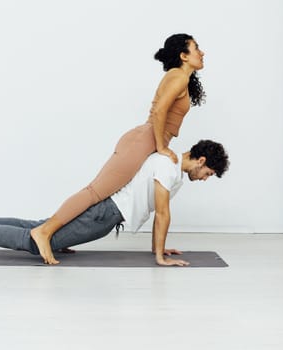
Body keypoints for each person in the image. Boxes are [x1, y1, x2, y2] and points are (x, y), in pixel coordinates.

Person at [31, 33, 206, 264]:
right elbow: (159, 111)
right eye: (196, 48)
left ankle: (55, 234)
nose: (201, 53)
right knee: (94, 193)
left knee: (94, 193)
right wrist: (161, 146)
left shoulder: (179, 77)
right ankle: (44, 231)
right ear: (183, 56)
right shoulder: (178, 77)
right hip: (143, 141)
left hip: (145, 140)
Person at [0, 140, 229, 267]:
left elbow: (155, 210)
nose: (204, 179)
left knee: (38, 227)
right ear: (201, 160)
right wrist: (159, 257)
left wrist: (159, 246)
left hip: (104, 212)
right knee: (35, 242)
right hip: (103, 215)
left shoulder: (172, 169)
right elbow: (163, 214)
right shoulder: (169, 166)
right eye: (207, 174)